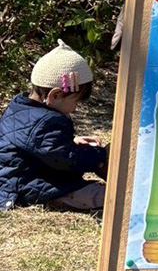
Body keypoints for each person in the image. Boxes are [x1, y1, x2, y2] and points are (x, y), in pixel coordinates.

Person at [0, 40, 108, 212]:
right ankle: (58, 200)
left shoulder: (20, 107)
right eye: (76, 102)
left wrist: (72, 142)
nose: (75, 108)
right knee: (104, 196)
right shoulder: (47, 121)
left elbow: (36, 145)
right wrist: (99, 155)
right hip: (28, 185)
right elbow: (65, 159)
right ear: (55, 95)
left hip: (16, 176)